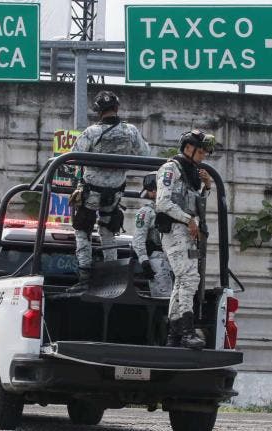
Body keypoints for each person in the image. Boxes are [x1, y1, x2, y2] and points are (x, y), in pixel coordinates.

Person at [69, 90, 150, 292]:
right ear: (117, 108)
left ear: (98, 111)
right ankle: (111, 276)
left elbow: (73, 156)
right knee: (108, 231)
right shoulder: (130, 131)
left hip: (91, 193)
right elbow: (145, 154)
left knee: (82, 231)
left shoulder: (91, 132)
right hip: (115, 192)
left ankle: (85, 277)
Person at [155, 129, 216, 349]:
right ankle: (188, 332)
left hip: (187, 233)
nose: (203, 157)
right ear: (188, 148)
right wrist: (188, 219)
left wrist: (207, 186)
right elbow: (162, 203)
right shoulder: (170, 169)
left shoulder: (191, 172)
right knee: (190, 278)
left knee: (182, 281)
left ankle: (174, 335)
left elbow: (196, 203)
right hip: (174, 230)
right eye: (201, 152)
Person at [132, 172, 172, 298]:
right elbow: (138, 240)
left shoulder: (147, 211)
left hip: (168, 260)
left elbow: (138, 240)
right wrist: (145, 262)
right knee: (165, 300)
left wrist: (144, 261)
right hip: (161, 260)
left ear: (154, 191)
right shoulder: (147, 211)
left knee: (171, 301)